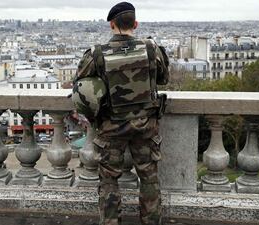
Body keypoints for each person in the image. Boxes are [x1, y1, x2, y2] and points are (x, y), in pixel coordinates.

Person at [72, 2, 170, 225]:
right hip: (146, 125)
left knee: (108, 181)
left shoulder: (96, 54)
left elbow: (80, 86)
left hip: (110, 126)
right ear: (135, 24)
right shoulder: (151, 49)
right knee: (149, 179)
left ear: (112, 25)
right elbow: (164, 78)